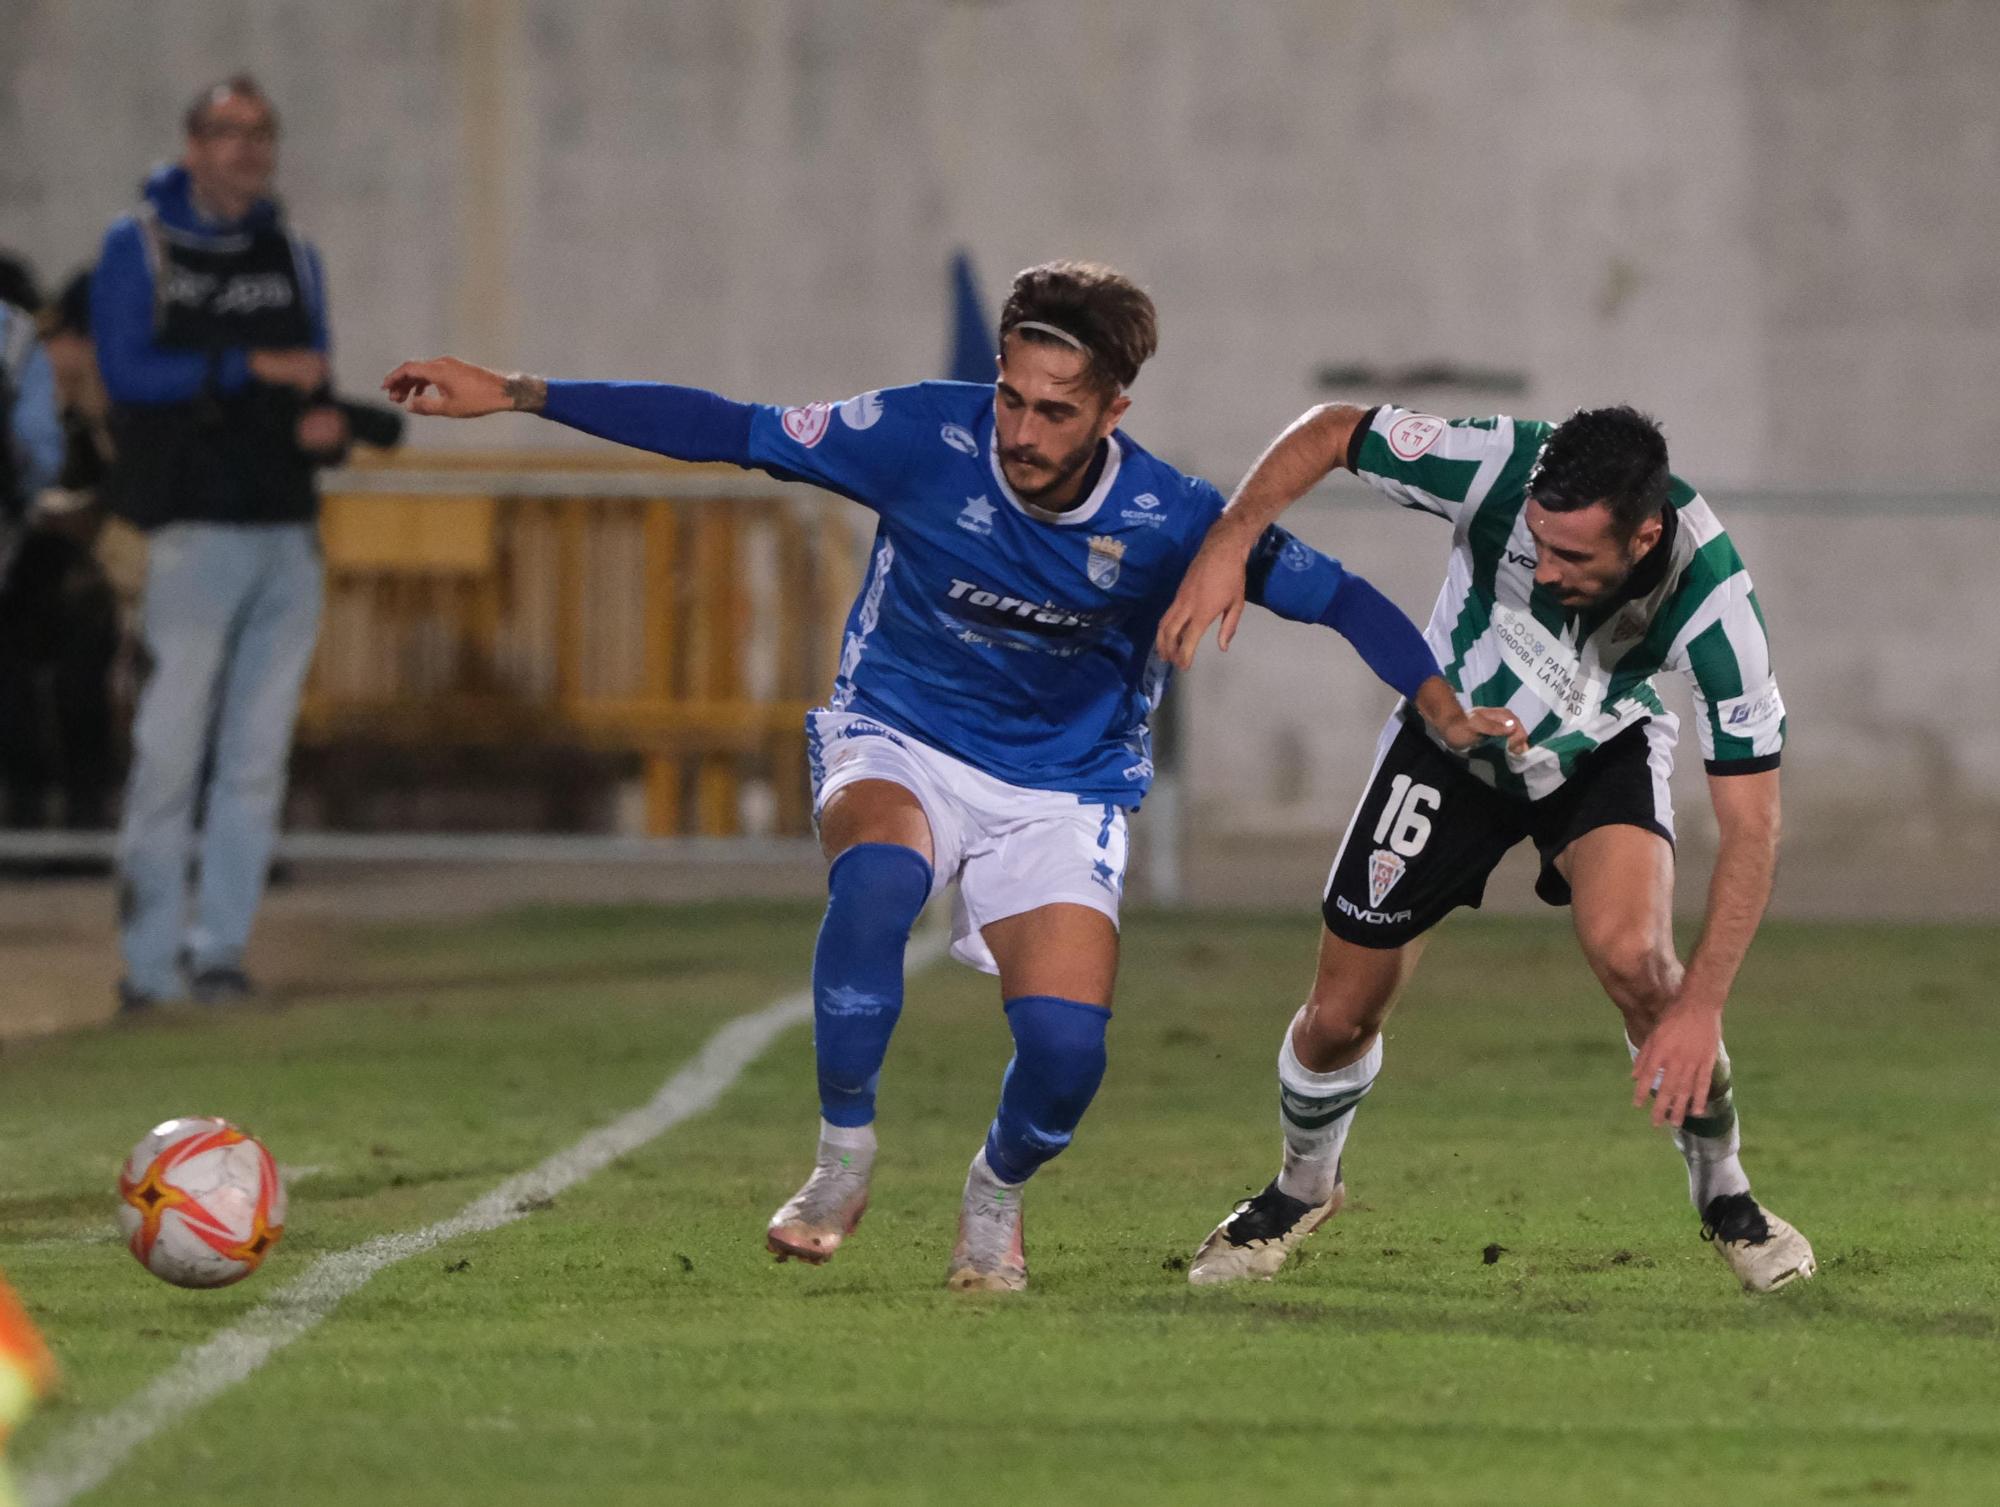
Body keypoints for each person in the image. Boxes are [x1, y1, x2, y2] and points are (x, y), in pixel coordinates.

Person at [384, 261, 1520, 1292]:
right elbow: (728, 427)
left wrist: (1434, 703)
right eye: (1011, 397)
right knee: (876, 884)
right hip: (901, 731)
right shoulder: (917, 434)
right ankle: (841, 1157)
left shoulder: (1166, 517)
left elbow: (1347, 600)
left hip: (1060, 789)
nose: (1020, 430)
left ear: (1112, 411)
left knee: (1068, 1055)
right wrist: (523, 392)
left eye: (1055, 411)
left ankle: (995, 1193)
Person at [1157, 401, 1815, 1293]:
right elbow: (1335, 429)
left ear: (1645, 533)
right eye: (1536, 544)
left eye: (1573, 556)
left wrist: (1703, 1007)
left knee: (1644, 968)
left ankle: (1726, 1194)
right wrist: (1233, 538)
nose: (1543, 570)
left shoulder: (1716, 605)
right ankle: (1303, 1186)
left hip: (1598, 752)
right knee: (1339, 1017)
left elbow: (1753, 826)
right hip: (1452, 737)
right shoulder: (1499, 463)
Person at [93, 75, 349, 1008]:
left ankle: (219, 951)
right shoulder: (143, 246)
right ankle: (148, 964)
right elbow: (127, 374)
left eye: (260, 133)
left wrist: (323, 417)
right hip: (190, 530)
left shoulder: (292, 252)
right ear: (192, 144)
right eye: (227, 132)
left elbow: (316, 376)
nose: (246, 149)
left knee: (254, 757)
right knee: (169, 750)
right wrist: (250, 366)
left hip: (286, 527)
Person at [0, 270, 122, 833]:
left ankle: (84, 812)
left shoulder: (102, 413)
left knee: (81, 669)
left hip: (86, 580)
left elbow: (120, 488)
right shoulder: (28, 401)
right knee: (15, 677)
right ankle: (25, 808)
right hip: (23, 570)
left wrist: (94, 407)